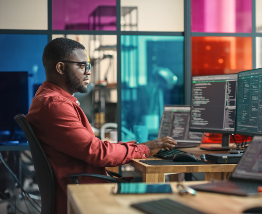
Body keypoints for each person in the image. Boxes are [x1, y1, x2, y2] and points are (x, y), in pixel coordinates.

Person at [26, 38, 177, 214]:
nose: (88, 72)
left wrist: (138, 147)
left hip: (80, 188)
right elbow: (97, 153)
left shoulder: (48, 99)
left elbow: (94, 149)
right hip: (83, 195)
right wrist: (144, 149)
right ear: (60, 68)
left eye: (88, 66)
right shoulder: (55, 105)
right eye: (82, 66)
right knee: (167, 199)